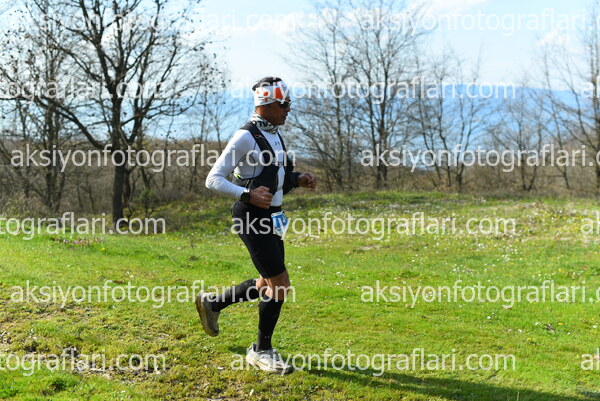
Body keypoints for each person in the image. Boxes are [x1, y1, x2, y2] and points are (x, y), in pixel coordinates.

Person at [197, 76, 317, 374]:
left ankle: (213, 304)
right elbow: (213, 179)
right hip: (251, 217)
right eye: (283, 104)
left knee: (266, 282)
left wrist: (298, 179)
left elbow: (274, 177)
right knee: (280, 284)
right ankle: (261, 351)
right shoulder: (245, 136)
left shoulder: (274, 133)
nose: (288, 109)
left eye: (288, 103)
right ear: (266, 104)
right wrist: (246, 194)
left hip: (273, 218)